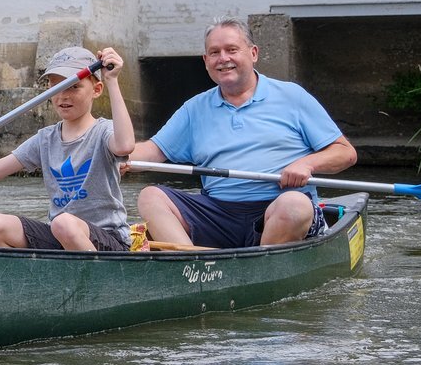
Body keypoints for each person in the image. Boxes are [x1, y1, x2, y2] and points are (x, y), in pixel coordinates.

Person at [129, 16, 357, 248]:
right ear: (206, 61)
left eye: (232, 49)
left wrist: (308, 164)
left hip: (279, 206)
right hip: (218, 212)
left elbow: (345, 153)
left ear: (253, 53)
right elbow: (152, 151)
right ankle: (193, 264)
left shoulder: (293, 97)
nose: (223, 59)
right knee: (151, 197)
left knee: (294, 206)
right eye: (215, 52)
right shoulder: (194, 109)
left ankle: (262, 267)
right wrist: (111, 155)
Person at [0, 46, 135, 251]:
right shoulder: (45, 138)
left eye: (73, 87)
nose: (63, 96)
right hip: (59, 236)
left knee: (64, 223)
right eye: (56, 87)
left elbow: (125, 145)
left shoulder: (104, 131)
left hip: (108, 239)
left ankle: (98, 279)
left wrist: (112, 80)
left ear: (96, 90)